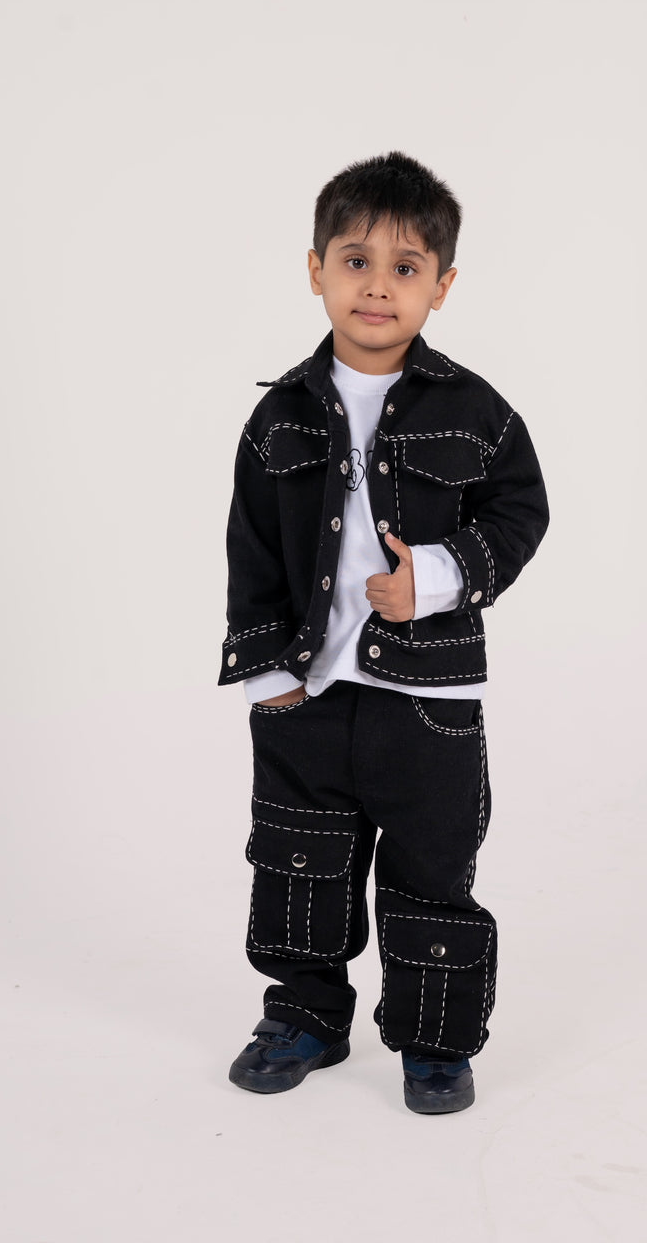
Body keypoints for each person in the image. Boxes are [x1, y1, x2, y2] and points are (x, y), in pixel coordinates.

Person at [217, 151, 549, 1113]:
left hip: (429, 700)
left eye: (407, 267)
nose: (377, 284)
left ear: (443, 287)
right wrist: (263, 674)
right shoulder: (279, 416)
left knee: (430, 866)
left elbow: (519, 515)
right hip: (306, 692)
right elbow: (252, 550)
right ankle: (305, 1015)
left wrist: (437, 581)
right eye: (355, 259)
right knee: (297, 862)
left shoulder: (477, 412)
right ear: (314, 268)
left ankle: (435, 1041)